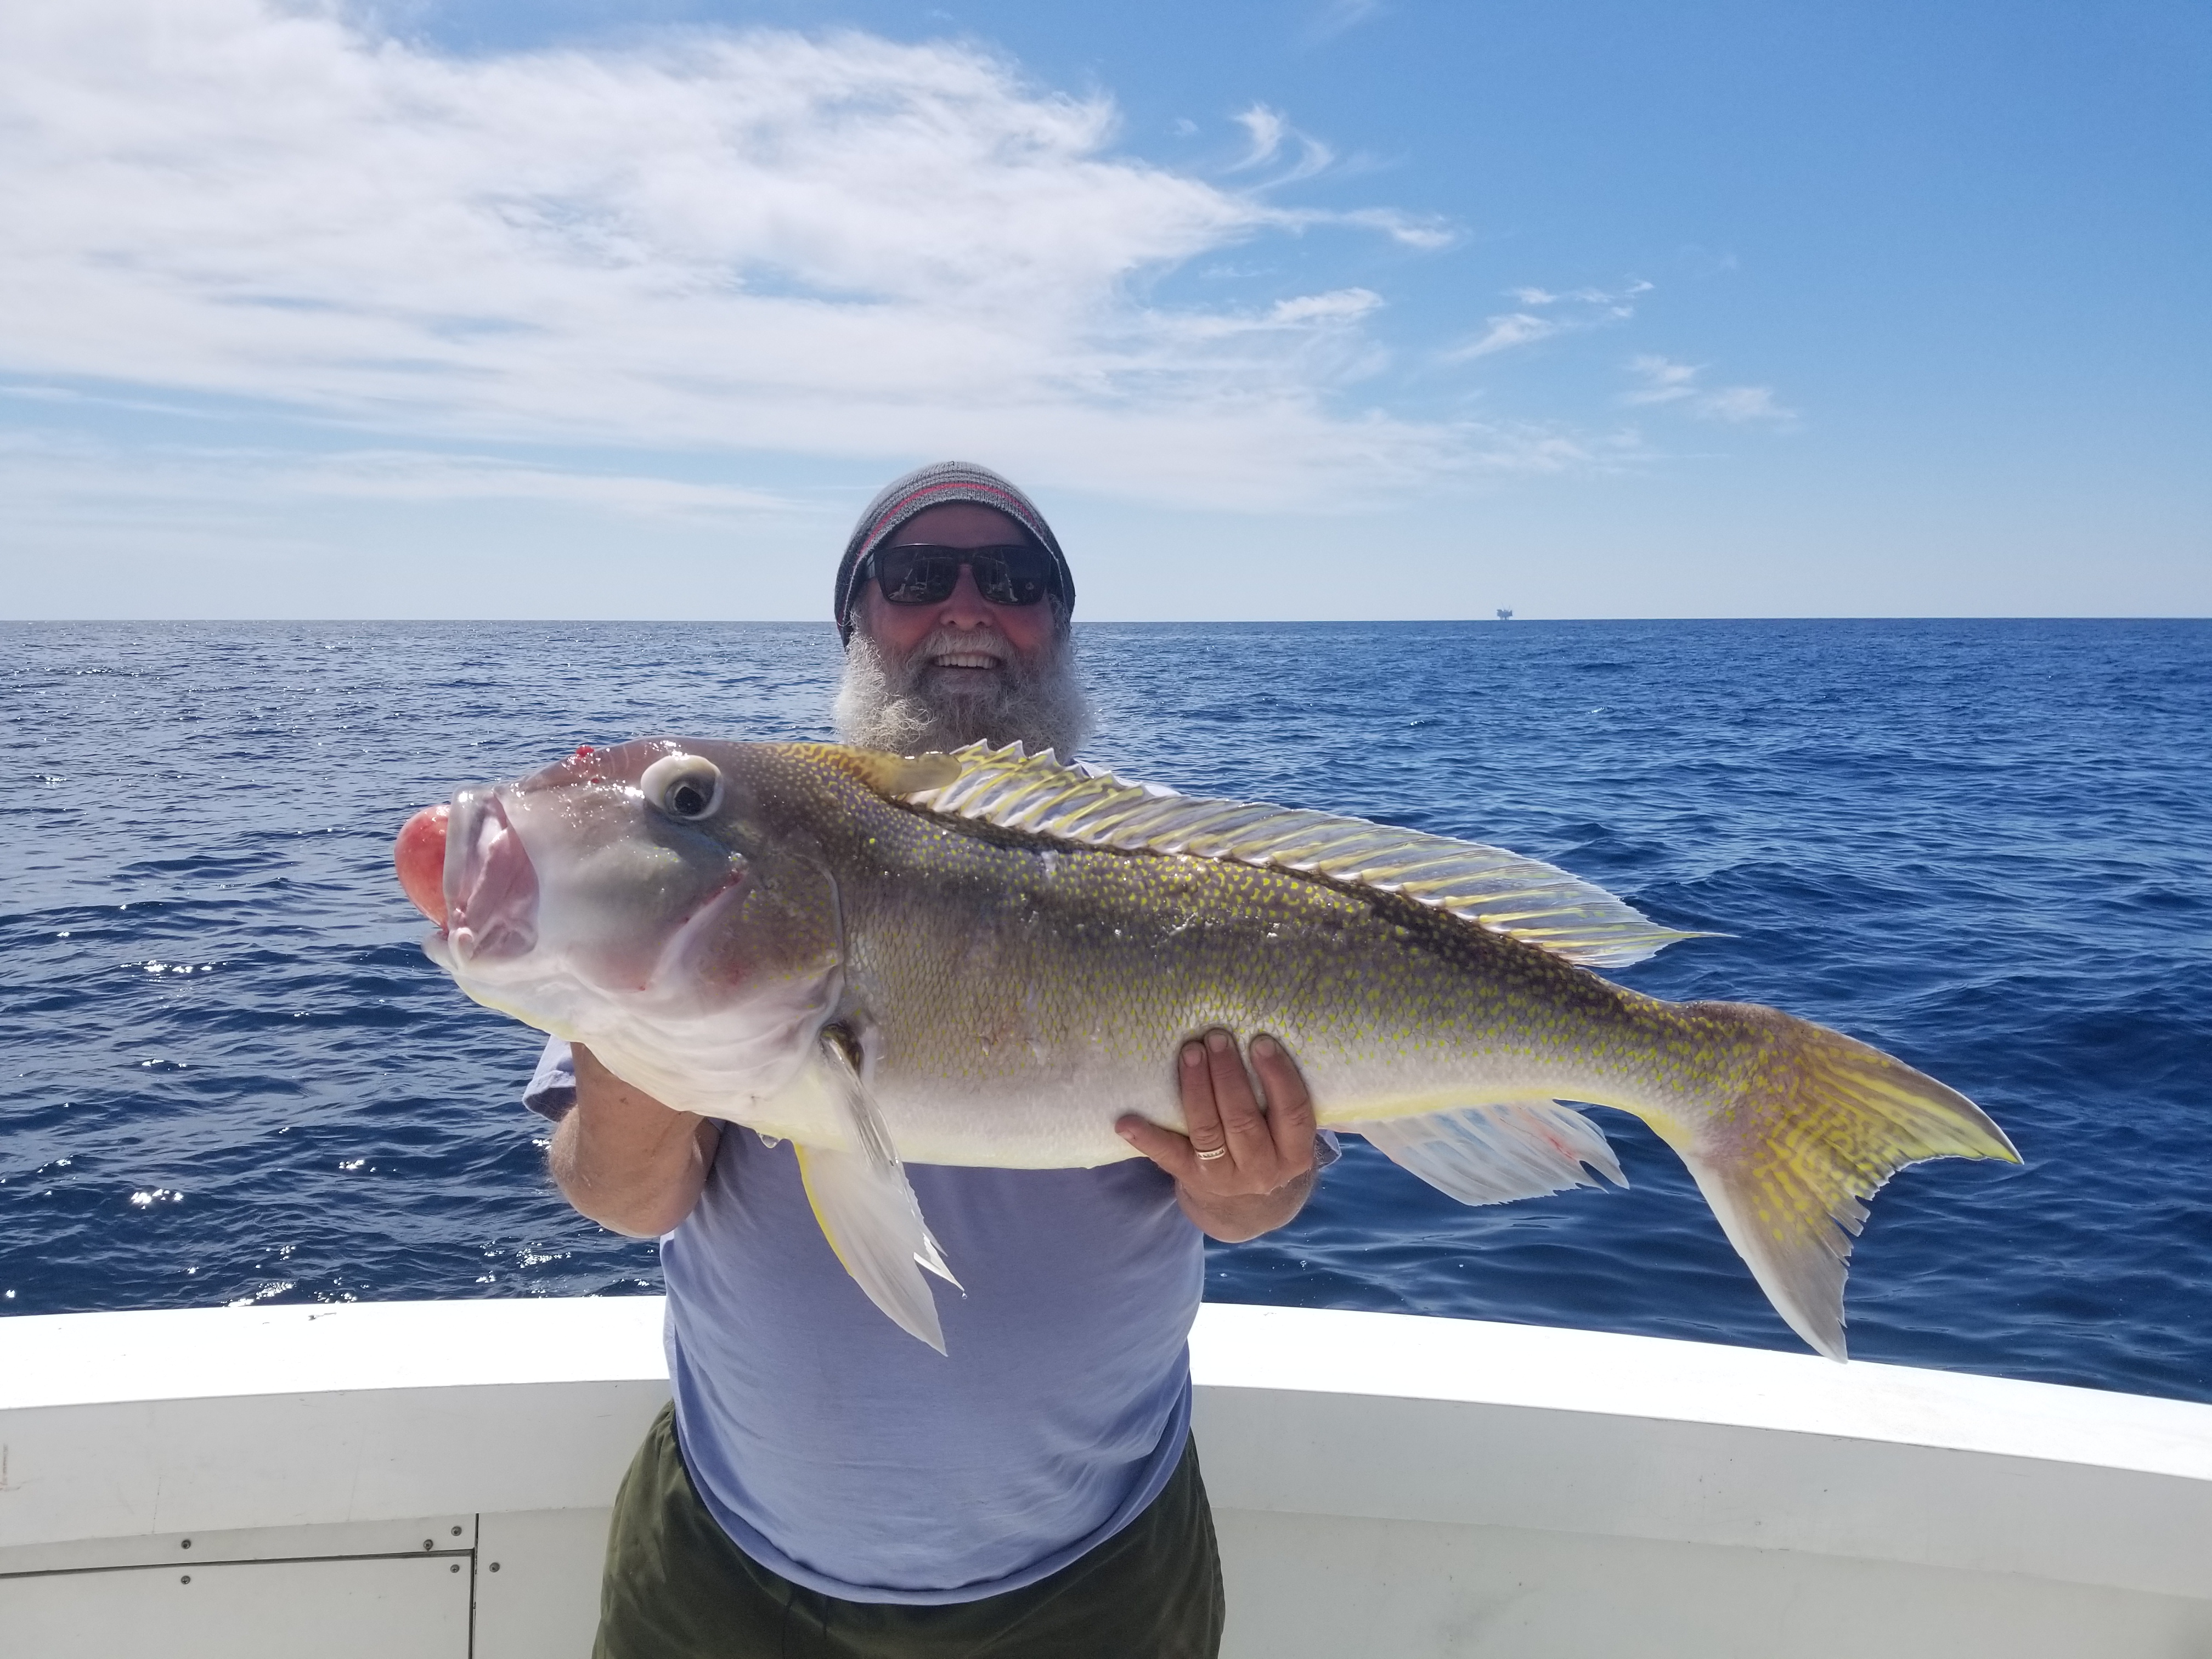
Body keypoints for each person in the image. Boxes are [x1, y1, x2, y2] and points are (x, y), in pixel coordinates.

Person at [523, 461, 1329, 1658]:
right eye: (915, 577)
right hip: (728, 1576)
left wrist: (1258, 1189)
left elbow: (1256, 1206)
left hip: (1096, 1583)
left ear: (1059, 624)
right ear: (855, 621)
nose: (966, 609)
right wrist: (651, 1022)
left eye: (1011, 580)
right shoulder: (727, 844)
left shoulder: (1187, 873)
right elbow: (624, 1194)